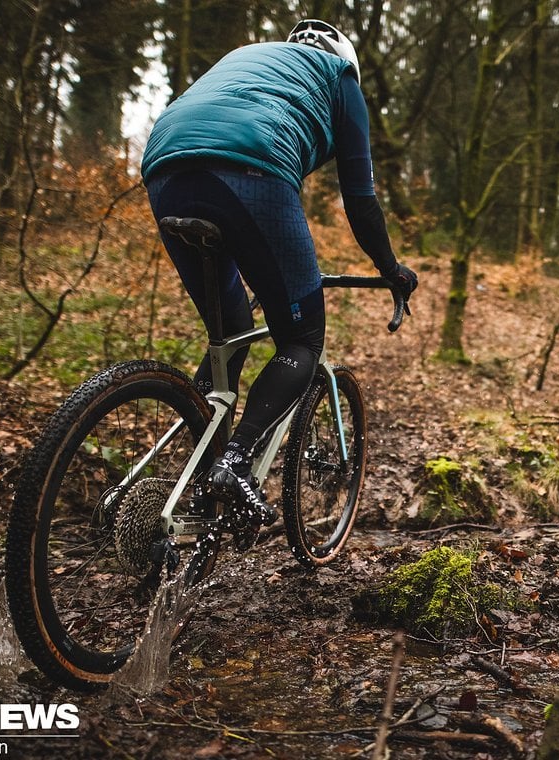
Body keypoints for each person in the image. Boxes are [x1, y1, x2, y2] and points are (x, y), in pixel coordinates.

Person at [140, 19, 417, 524]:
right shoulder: (340, 77)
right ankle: (233, 461)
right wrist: (390, 268)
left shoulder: (252, 56)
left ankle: (192, 473)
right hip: (251, 166)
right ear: (346, 58)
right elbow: (359, 196)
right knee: (302, 341)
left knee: (231, 335)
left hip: (164, 165)